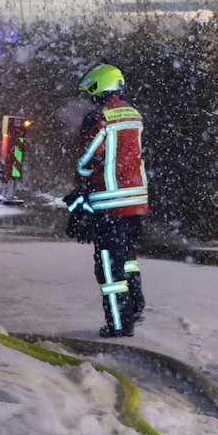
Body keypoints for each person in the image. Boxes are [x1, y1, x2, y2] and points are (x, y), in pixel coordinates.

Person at [71, 63, 149, 337]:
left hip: (109, 204)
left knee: (108, 267)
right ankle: (135, 307)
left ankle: (118, 323)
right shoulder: (133, 113)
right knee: (127, 258)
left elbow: (88, 157)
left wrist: (82, 172)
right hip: (136, 202)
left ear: (97, 87)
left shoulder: (100, 117)